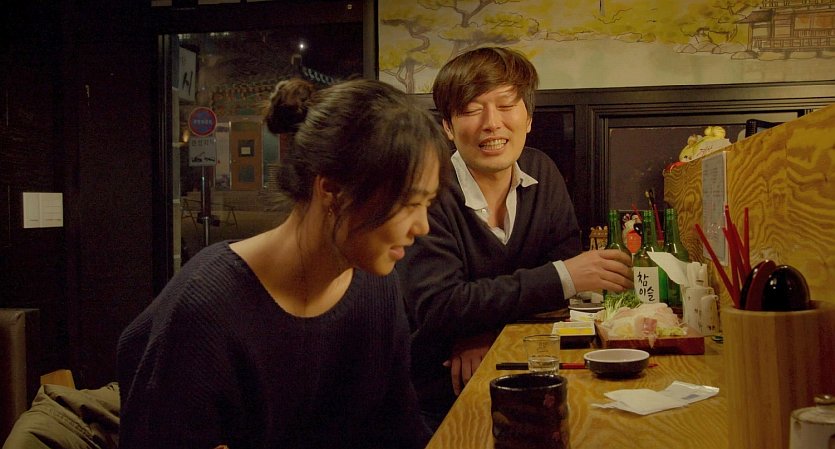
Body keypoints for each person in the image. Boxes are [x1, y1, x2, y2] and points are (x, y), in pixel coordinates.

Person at [117, 78, 451, 449]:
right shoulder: (205, 310)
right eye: (409, 203)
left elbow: (400, 430)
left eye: (427, 204)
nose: (422, 227)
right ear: (332, 190)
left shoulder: (378, 289)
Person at [396, 47, 634, 429]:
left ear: (528, 118)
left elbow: (555, 291)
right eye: (472, 109)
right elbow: (440, 306)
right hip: (442, 394)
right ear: (448, 127)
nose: (492, 123)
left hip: (531, 371)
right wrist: (563, 276)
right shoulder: (427, 188)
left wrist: (482, 327)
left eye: (506, 105)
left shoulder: (542, 171)